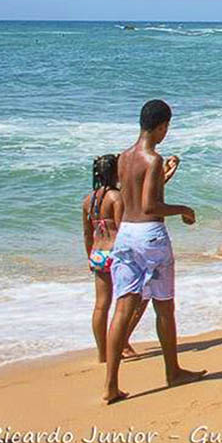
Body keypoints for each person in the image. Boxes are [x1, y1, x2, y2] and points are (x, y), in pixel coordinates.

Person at [103, 100, 203, 404]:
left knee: (122, 308)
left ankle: (110, 385)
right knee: (164, 306)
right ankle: (173, 372)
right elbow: (150, 206)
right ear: (162, 126)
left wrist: (167, 175)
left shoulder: (123, 157)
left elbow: (136, 194)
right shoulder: (153, 158)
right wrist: (184, 209)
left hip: (126, 235)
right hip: (150, 236)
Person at [81, 154, 138, 363]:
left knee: (100, 305)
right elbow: (123, 229)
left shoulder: (89, 200)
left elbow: (87, 233)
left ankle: (102, 353)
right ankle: (121, 345)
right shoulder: (116, 197)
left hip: (97, 253)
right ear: (116, 173)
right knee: (126, 302)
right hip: (116, 253)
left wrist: (89, 257)